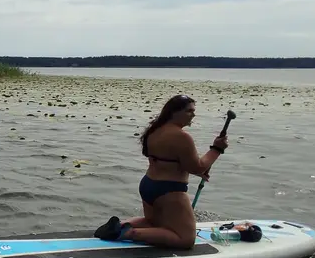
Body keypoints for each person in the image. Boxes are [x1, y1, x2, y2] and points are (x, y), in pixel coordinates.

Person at [94, 94, 229, 249]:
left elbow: (168, 160)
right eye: (189, 111)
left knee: (154, 223)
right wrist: (217, 149)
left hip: (148, 184)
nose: (193, 115)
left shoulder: (154, 130)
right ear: (174, 112)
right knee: (185, 239)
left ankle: (120, 225)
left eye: (193, 111)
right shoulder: (182, 136)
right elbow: (197, 167)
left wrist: (196, 170)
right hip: (169, 191)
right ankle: (127, 233)